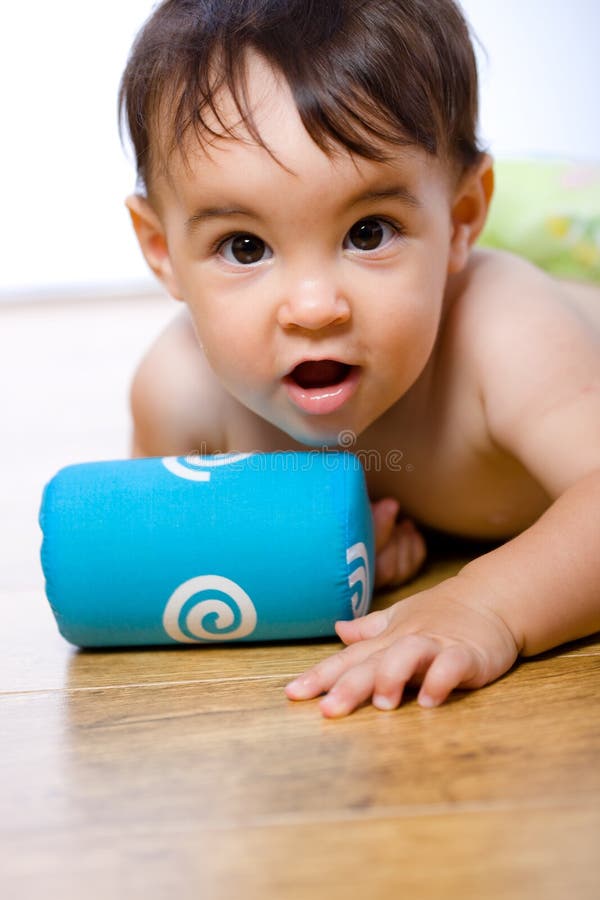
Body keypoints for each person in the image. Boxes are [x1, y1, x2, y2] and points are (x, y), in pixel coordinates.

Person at [119, 0, 600, 717]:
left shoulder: (504, 336)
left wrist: (486, 606)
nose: (314, 307)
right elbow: (155, 553)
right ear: (163, 253)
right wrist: (314, 548)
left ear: (462, 220)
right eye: (244, 246)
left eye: (370, 232)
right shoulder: (181, 390)